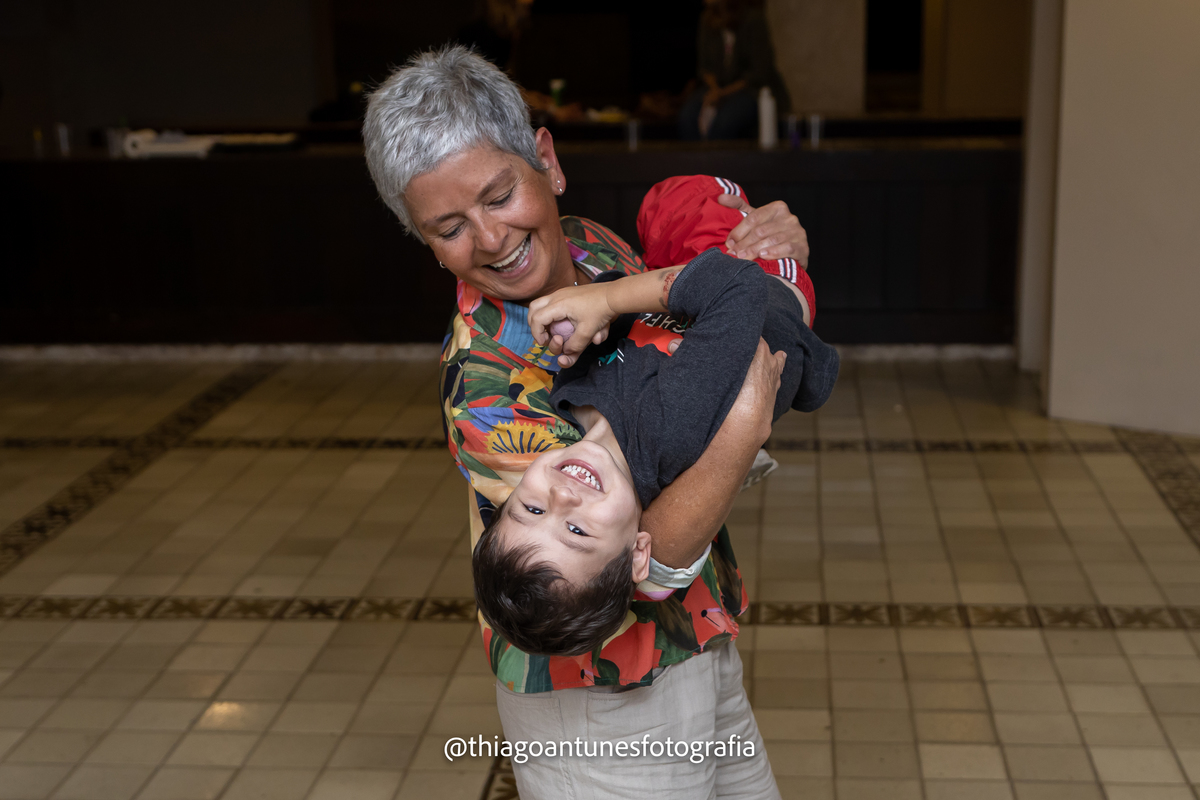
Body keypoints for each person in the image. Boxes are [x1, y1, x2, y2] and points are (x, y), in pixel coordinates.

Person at [363, 45, 811, 799]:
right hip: (601, 699)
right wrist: (744, 424)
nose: (491, 239)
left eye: (500, 195)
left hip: (697, 637)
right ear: (426, 241)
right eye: (449, 227)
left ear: (547, 161)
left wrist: (767, 258)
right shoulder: (485, 388)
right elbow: (646, 556)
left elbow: (696, 342)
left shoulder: (593, 248)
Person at [474, 232, 840, 657]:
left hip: (702, 272)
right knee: (669, 206)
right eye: (576, 530)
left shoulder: (570, 397)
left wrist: (594, 312)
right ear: (638, 552)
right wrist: (605, 299)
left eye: (532, 510)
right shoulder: (668, 430)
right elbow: (737, 283)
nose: (561, 497)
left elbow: (623, 303)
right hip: (771, 279)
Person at [679, 0, 791, 140]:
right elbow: (704, 67)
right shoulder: (706, 19)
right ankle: (696, 154)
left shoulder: (752, 20)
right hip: (716, 87)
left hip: (748, 89)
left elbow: (758, 72)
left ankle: (717, 154)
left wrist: (723, 93)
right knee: (687, 117)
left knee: (725, 122)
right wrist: (715, 90)